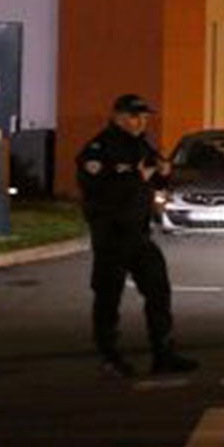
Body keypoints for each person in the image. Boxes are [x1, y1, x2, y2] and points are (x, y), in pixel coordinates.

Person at [76, 93, 195, 378]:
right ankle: (109, 357)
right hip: (111, 234)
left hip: (138, 233)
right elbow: (95, 186)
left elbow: (156, 176)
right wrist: (135, 177)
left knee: (158, 290)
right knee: (108, 296)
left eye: (144, 117)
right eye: (134, 116)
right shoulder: (98, 148)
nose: (140, 121)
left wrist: (163, 173)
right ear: (117, 115)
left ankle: (163, 352)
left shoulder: (140, 144)